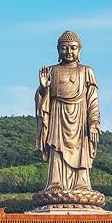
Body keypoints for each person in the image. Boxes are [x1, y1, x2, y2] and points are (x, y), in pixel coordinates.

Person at [35, 30, 101, 192]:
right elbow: (42, 100)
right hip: (57, 115)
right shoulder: (52, 71)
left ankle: (82, 184)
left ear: (80, 50)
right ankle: (55, 183)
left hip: (80, 117)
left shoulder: (87, 71)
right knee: (56, 149)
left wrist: (93, 123)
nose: (69, 52)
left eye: (73, 48)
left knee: (81, 150)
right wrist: (44, 88)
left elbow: (92, 100)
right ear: (58, 50)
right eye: (64, 48)